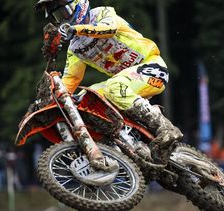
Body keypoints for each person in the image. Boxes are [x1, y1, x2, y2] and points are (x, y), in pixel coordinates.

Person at [34, 0, 183, 164]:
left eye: (65, 12)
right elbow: (71, 80)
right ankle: (120, 143)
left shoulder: (102, 13)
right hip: (126, 81)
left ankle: (165, 128)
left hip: (152, 67)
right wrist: (48, 100)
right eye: (58, 16)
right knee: (85, 98)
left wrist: (76, 29)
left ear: (79, 4)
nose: (63, 19)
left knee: (114, 86)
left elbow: (109, 29)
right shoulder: (75, 48)